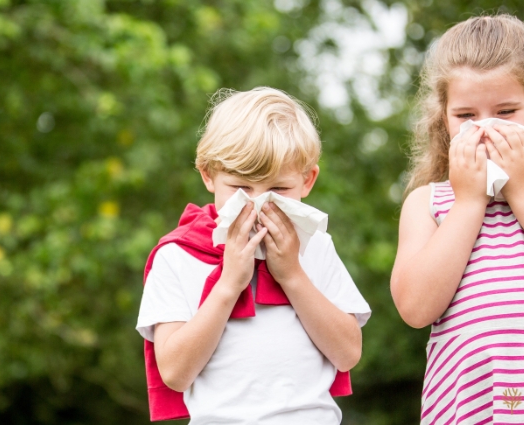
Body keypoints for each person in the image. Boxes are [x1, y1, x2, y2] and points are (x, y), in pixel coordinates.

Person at [391, 14, 524, 424]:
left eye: (506, 111)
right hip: (465, 410)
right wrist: (469, 202)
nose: (486, 129)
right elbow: (416, 309)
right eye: (466, 116)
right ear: (444, 121)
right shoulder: (428, 202)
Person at [136, 87, 371, 424]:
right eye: (241, 188)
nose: (258, 204)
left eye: (278, 190)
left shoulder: (315, 247)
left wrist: (291, 274)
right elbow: (174, 372)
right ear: (208, 175)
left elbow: (348, 353)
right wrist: (229, 283)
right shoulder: (178, 256)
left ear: (308, 181)